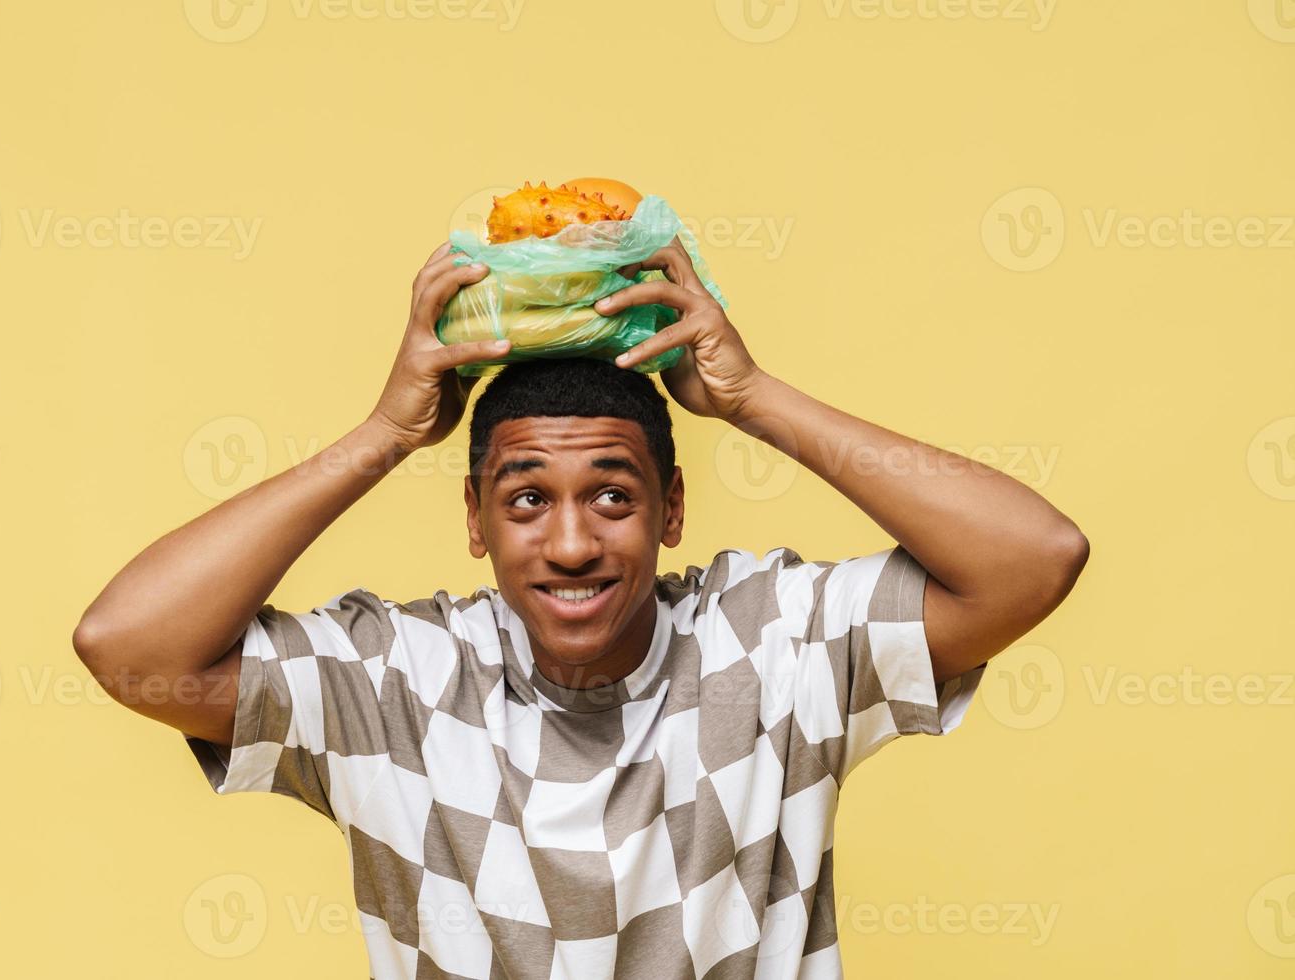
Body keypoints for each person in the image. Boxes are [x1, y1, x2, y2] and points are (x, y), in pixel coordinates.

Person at [72, 238, 1089, 979]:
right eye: (526, 500)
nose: (569, 542)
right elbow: (128, 645)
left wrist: (751, 395)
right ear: (474, 517)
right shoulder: (392, 679)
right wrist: (383, 432)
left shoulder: (776, 640)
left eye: (612, 493)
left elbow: (1033, 559)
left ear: (671, 508)